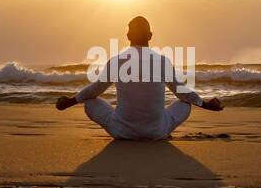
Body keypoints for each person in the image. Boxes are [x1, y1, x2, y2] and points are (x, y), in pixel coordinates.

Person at [54, 16, 223, 140]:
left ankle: (131, 127)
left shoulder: (117, 61)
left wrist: (70, 101)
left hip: (122, 132)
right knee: (185, 103)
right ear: (150, 36)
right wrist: (207, 105)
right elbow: (182, 93)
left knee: (90, 101)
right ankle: (160, 130)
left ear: (128, 37)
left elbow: (95, 89)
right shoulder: (162, 61)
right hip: (157, 132)